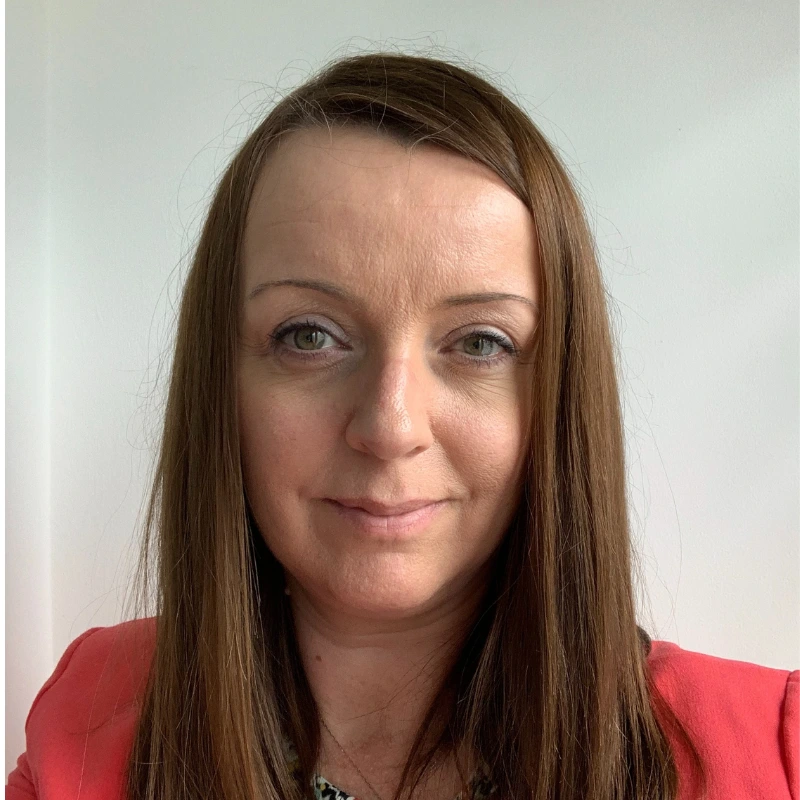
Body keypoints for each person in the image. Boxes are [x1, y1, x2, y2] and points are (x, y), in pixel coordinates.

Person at [6, 52, 798, 800]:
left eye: (481, 343)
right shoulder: (89, 722)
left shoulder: (775, 755)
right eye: (308, 335)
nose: (389, 427)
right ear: (223, 385)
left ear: (558, 396)